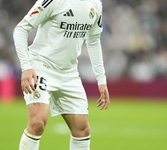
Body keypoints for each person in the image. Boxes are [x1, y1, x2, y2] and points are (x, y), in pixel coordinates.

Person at [13, 0, 110, 149]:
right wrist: (26, 67)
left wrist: (101, 80)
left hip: (69, 72)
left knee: (82, 130)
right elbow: (20, 29)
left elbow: (93, 40)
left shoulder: (95, 4)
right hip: (41, 66)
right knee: (37, 122)